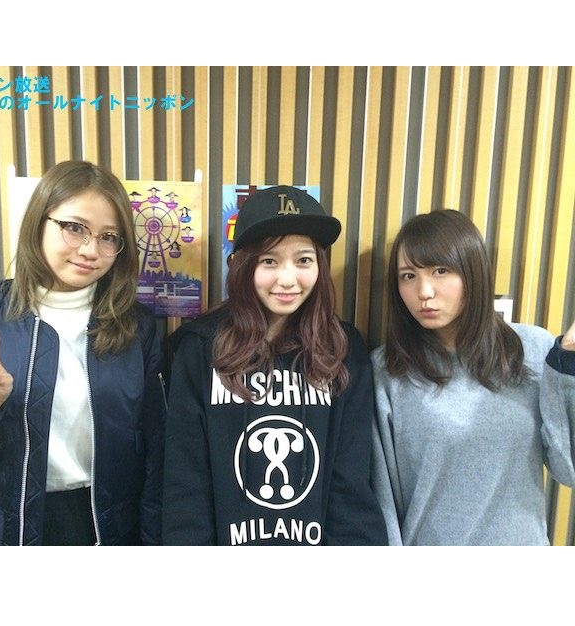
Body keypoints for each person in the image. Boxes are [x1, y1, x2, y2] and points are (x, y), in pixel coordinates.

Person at [0, 160, 166, 546]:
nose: (91, 250)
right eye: (75, 228)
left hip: (113, 529)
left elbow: (159, 448)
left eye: (109, 237)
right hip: (16, 530)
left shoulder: (136, 326)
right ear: (38, 223)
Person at [162, 185, 388, 545]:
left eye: (303, 260)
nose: (287, 279)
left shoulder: (343, 349)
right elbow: (185, 486)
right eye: (269, 261)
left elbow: (351, 483)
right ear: (242, 265)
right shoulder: (200, 349)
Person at [371, 208, 575, 545]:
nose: (424, 291)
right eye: (408, 276)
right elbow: (383, 502)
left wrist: (568, 367)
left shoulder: (533, 349)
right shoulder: (388, 370)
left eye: (441, 271)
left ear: (473, 272)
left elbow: (568, 469)